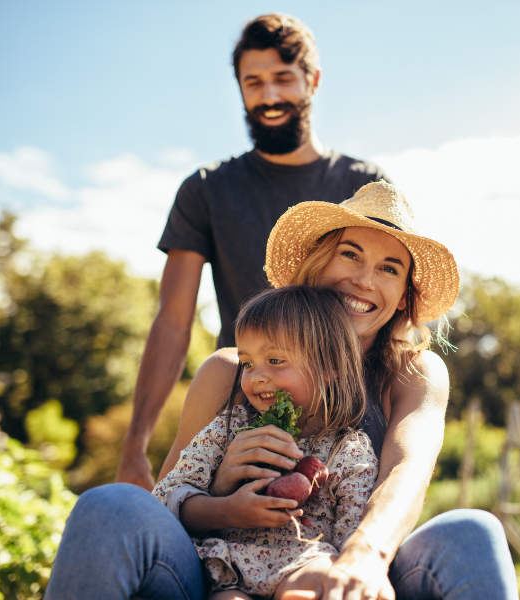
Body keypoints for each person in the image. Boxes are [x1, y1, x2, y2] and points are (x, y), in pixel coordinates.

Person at [45, 181, 519, 600]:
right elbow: (166, 503)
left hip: (342, 564)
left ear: (404, 297)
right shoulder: (229, 371)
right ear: (316, 263)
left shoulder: (413, 372)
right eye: (349, 254)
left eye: (390, 269)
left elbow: (407, 471)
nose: (363, 279)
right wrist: (222, 485)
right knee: (109, 506)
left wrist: (364, 555)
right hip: (217, 571)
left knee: (474, 531)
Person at [116, 13, 389, 491]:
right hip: (244, 403)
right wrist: (135, 443)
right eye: (253, 82)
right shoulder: (207, 190)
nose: (269, 96)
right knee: (184, 525)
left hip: (349, 412)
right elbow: (174, 321)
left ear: (313, 81)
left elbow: (387, 300)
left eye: (282, 79)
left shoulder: (361, 185)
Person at [154, 285, 380, 600]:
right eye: (247, 363)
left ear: (329, 368)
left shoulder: (348, 450)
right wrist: (226, 510)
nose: (256, 376)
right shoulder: (228, 429)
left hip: (304, 561)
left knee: (321, 578)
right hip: (229, 568)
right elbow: (165, 498)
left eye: (275, 360)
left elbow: (353, 532)